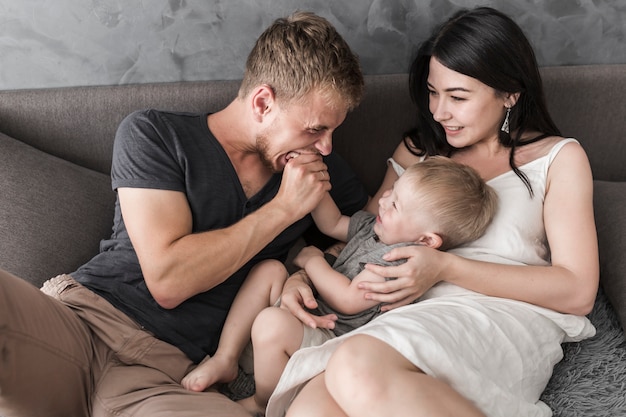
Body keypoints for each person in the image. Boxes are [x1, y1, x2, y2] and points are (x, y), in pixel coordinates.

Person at [0, 12, 369, 417]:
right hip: (83, 323)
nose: (327, 147)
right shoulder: (156, 134)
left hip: (170, 379)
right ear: (263, 103)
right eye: (315, 129)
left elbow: (373, 231)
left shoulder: (318, 172)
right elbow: (169, 280)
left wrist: (306, 266)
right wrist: (284, 209)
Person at [268, 6, 599, 417]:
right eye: (432, 92)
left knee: (353, 365)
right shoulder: (419, 152)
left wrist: (443, 268)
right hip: (406, 314)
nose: (440, 112)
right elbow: (364, 236)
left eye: (458, 97)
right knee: (310, 409)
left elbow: (578, 291)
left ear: (510, 94)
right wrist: (301, 272)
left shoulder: (557, 158)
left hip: (495, 316)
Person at [181, 156, 498, 415]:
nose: (384, 199)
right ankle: (225, 358)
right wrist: (313, 183)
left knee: (271, 323)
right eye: (393, 191)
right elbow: (331, 223)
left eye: (397, 205)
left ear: (425, 240)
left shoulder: (401, 262)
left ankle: (262, 402)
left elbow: (348, 300)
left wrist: (311, 260)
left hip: (330, 338)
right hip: (309, 309)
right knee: (269, 270)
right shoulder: (376, 229)